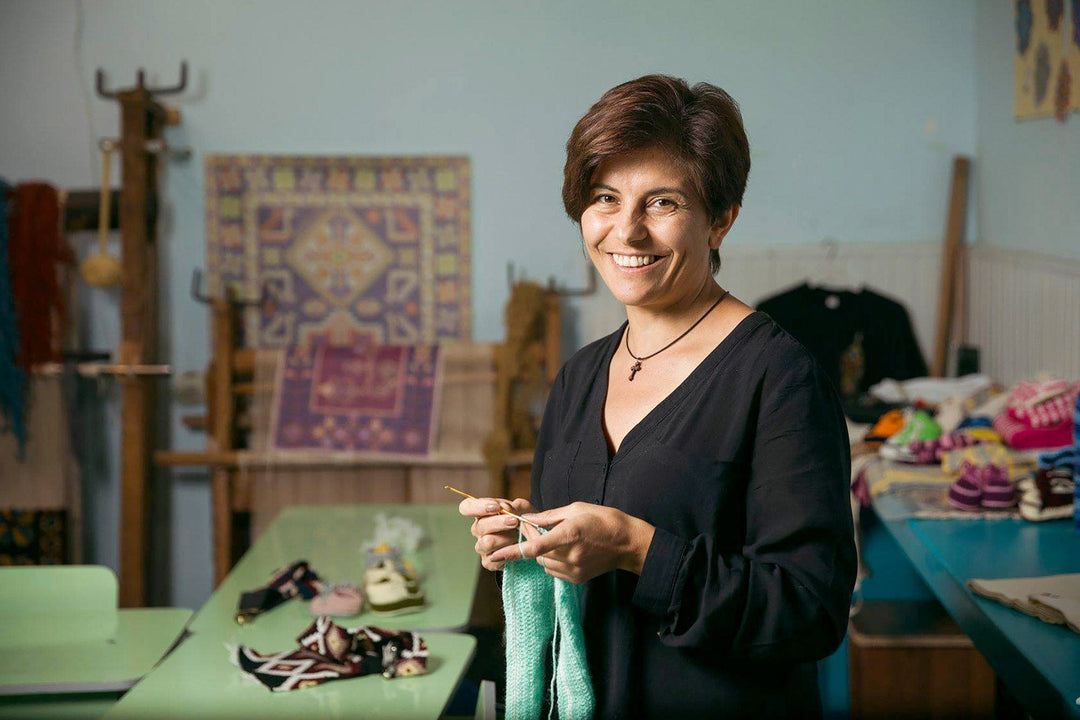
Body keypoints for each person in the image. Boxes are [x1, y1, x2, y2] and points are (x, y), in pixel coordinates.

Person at [459, 74, 856, 719]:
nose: (627, 230)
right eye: (605, 198)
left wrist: (637, 549)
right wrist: (527, 539)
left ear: (721, 220)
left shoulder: (780, 378)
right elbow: (577, 568)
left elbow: (810, 613)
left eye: (663, 202)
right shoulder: (579, 377)